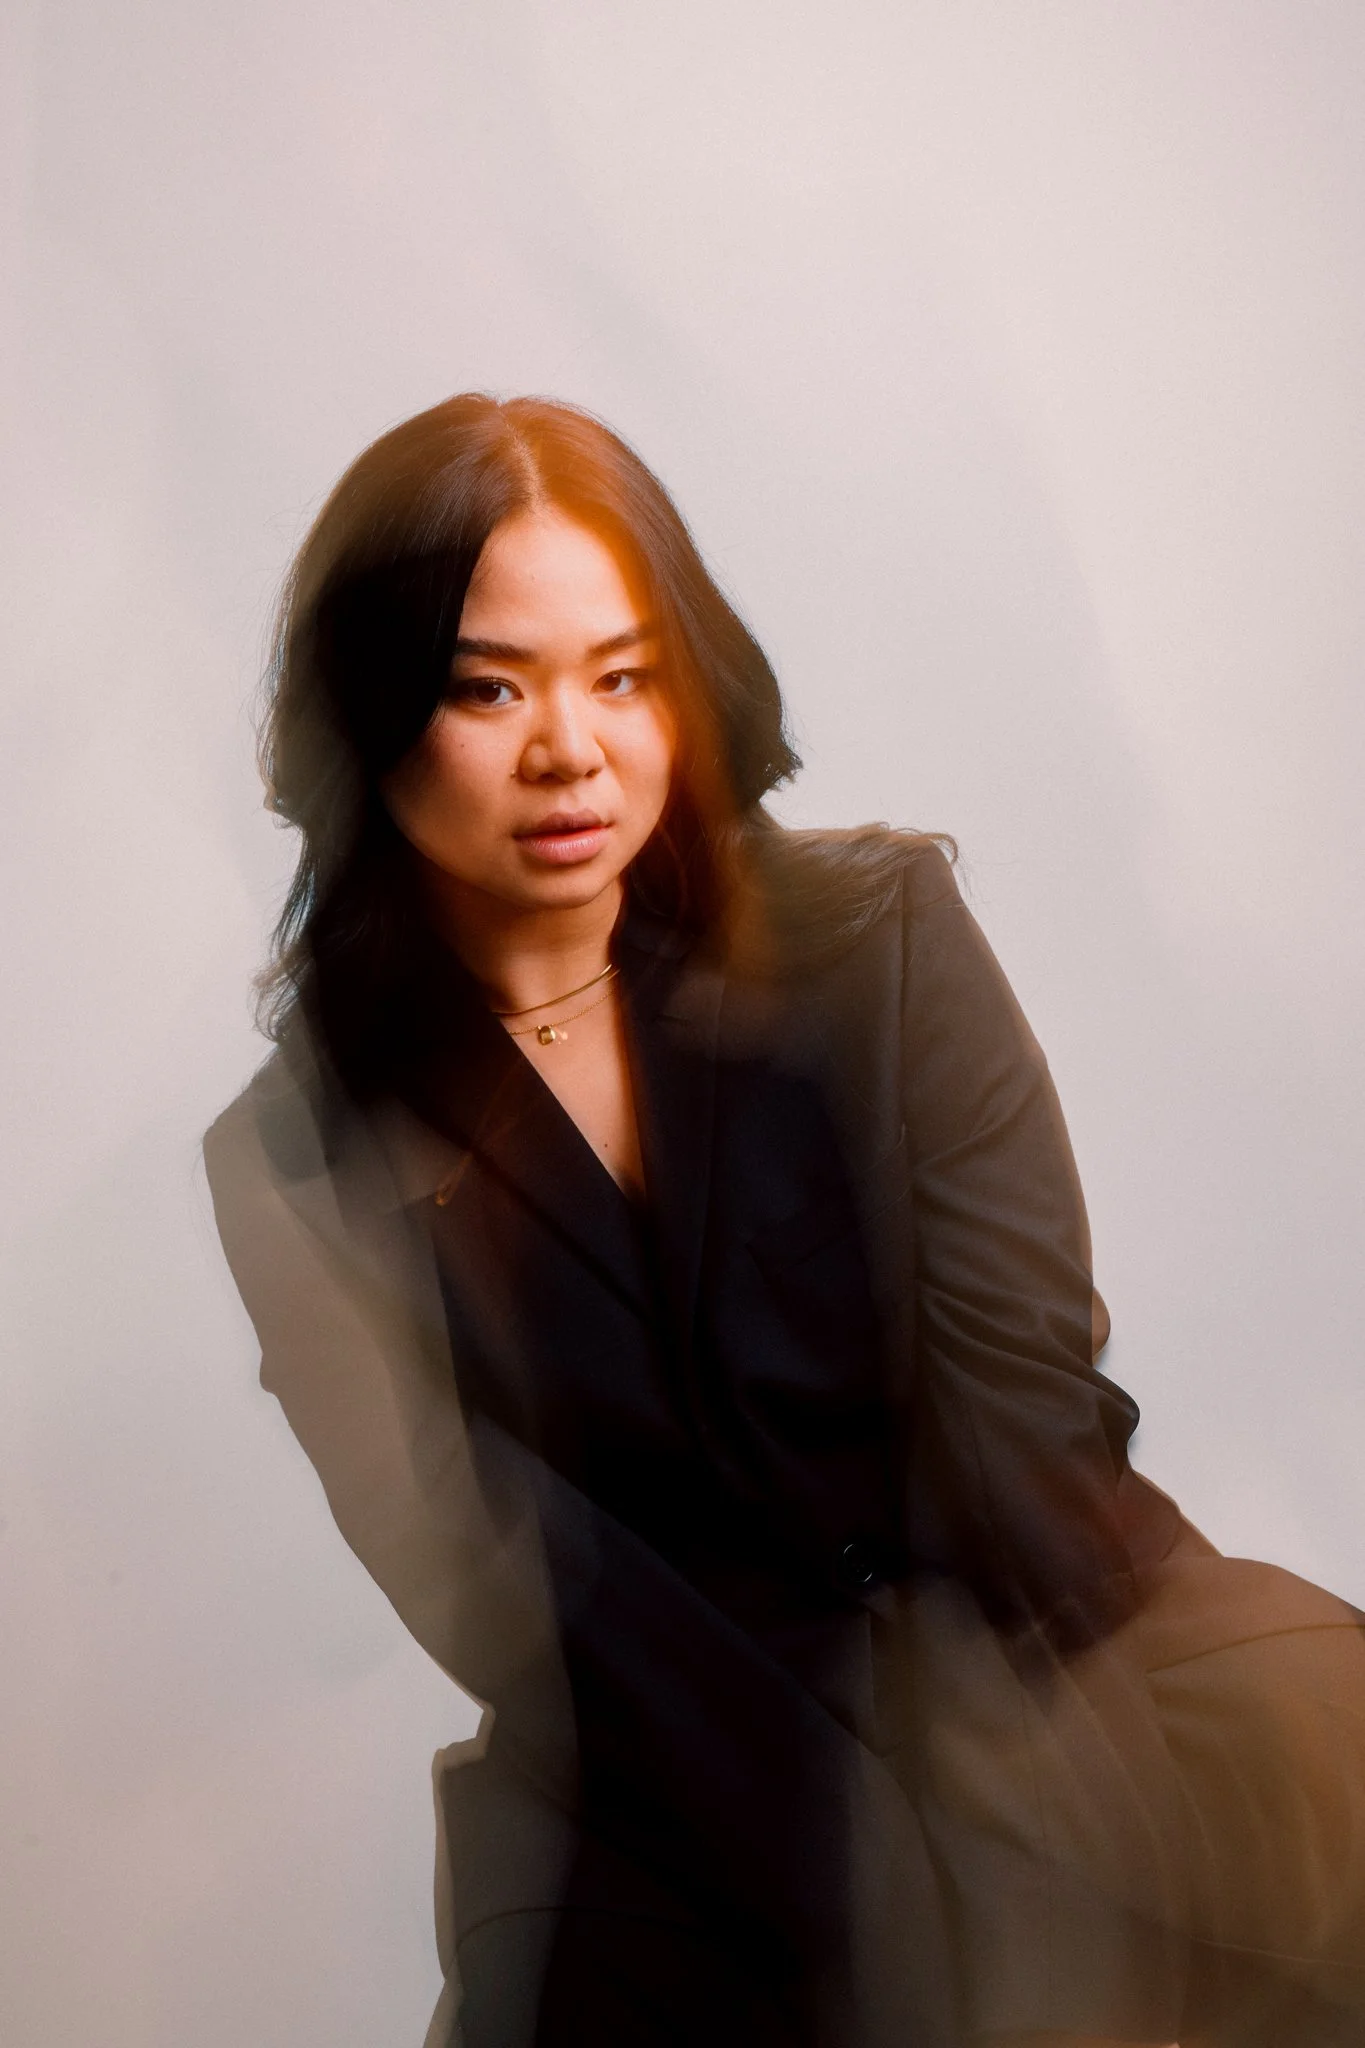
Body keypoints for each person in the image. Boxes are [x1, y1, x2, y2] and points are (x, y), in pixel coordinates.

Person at [204, 394, 1365, 2048]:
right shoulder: (296, 1171)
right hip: (671, 1777)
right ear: (375, 710)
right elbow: (545, 1621)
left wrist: (1025, 1834)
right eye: (487, 686)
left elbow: (1028, 1432)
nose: (571, 749)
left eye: (623, 674)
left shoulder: (884, 939)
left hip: (1054, 1635)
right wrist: (885, 1888)